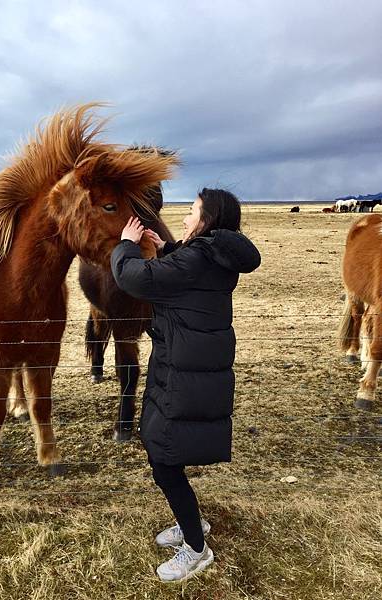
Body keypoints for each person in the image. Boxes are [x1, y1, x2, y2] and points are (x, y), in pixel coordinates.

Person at [110, 188, 261, 582]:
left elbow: (134, 279)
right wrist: (168, 248)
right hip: (186, 365)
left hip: (183, 371)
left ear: (209, 220)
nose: (184, 217)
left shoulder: (197, 257)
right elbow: (187, 280)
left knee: (164, 458)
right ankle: (190, 522)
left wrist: (125, 246)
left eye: (192, 212)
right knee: (163, 450)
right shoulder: (211, 255)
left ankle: (196, 548)